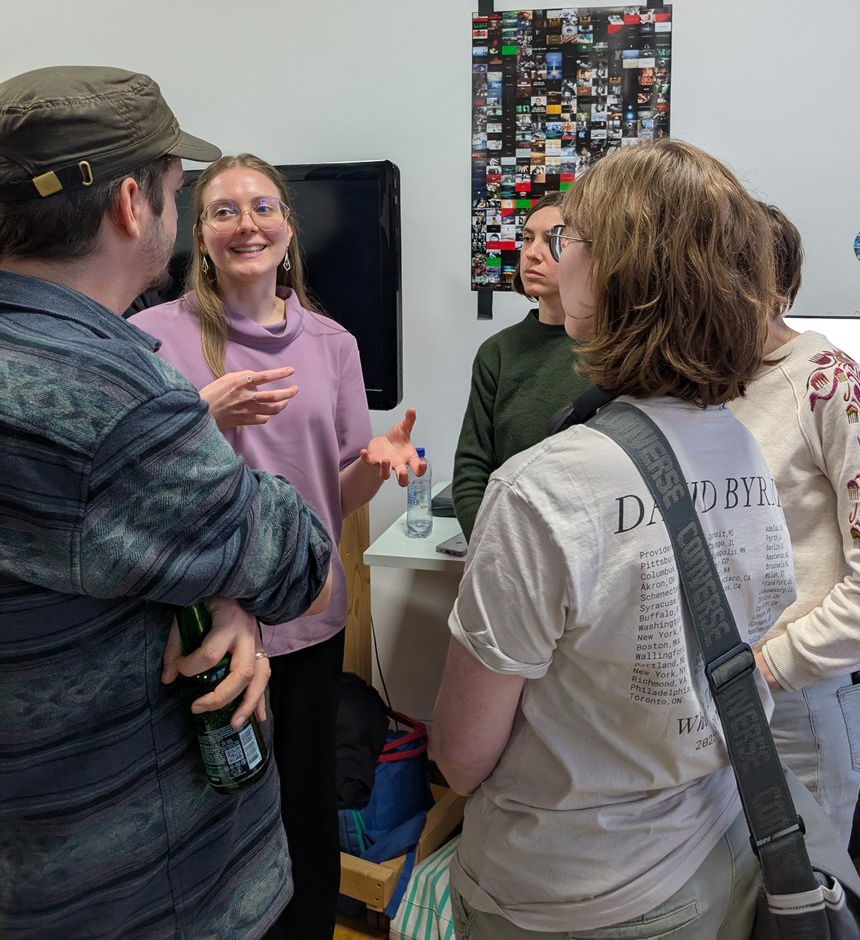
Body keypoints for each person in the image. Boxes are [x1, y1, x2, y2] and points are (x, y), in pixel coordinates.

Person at [432, 140, 798, 939]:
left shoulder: (544, 487)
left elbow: (460, 756)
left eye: (570, 241)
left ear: (610, 277)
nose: (554, 257)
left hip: (573, 892)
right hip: (717, 845)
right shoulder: (738, 443)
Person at [0, 66, 334, 940]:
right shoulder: (123, 391)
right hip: (131, 885)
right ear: (130, 206)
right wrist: (232, 573)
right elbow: (295, 555)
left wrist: (215, 582)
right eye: (188, 194)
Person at [129, 152, 424, 940]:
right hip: (198, 622)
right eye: (224, 210)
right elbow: (127, 470)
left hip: (307, 617)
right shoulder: (151, 338)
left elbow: (337, 493)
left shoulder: (331, 343)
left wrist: (374, 466)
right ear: (199, 233)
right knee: (209, 806)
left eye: (263, 207)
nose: (247, 223)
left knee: (305, 804)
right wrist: (200, 417)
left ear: (288, 228)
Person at [728, 203, 860, 845]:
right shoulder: (710, 384)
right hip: (713, 699)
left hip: (792, 703)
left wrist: (768, 668)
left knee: (800, 904)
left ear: (761, 284)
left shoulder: (832, 386)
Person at [452, 192, 590, 540]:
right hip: (508, 548)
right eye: (527, 238)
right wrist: (494, 553)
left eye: (553, 239)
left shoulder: (616, 352)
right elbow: (471, 472)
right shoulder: (498, 353)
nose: (531, 253)